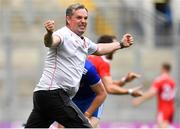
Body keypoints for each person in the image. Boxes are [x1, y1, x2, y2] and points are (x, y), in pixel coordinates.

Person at [25, 3, 134, 128]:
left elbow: (99, 48)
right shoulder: (63, 34)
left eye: (85, 18)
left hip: (44, 95)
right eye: (79, 17)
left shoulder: (84, 41)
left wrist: (121, 44)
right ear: (68, 19)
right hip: (54, 93)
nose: (83, 21)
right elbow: (50, 42)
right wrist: (49, 34)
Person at [132, 62, 176, 128]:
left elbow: (152, 92)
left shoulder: (160, 80)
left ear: (163, 69)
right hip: (171, 108)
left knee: (162, 127)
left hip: (163, 108)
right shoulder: (172, 81)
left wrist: (139, 99)